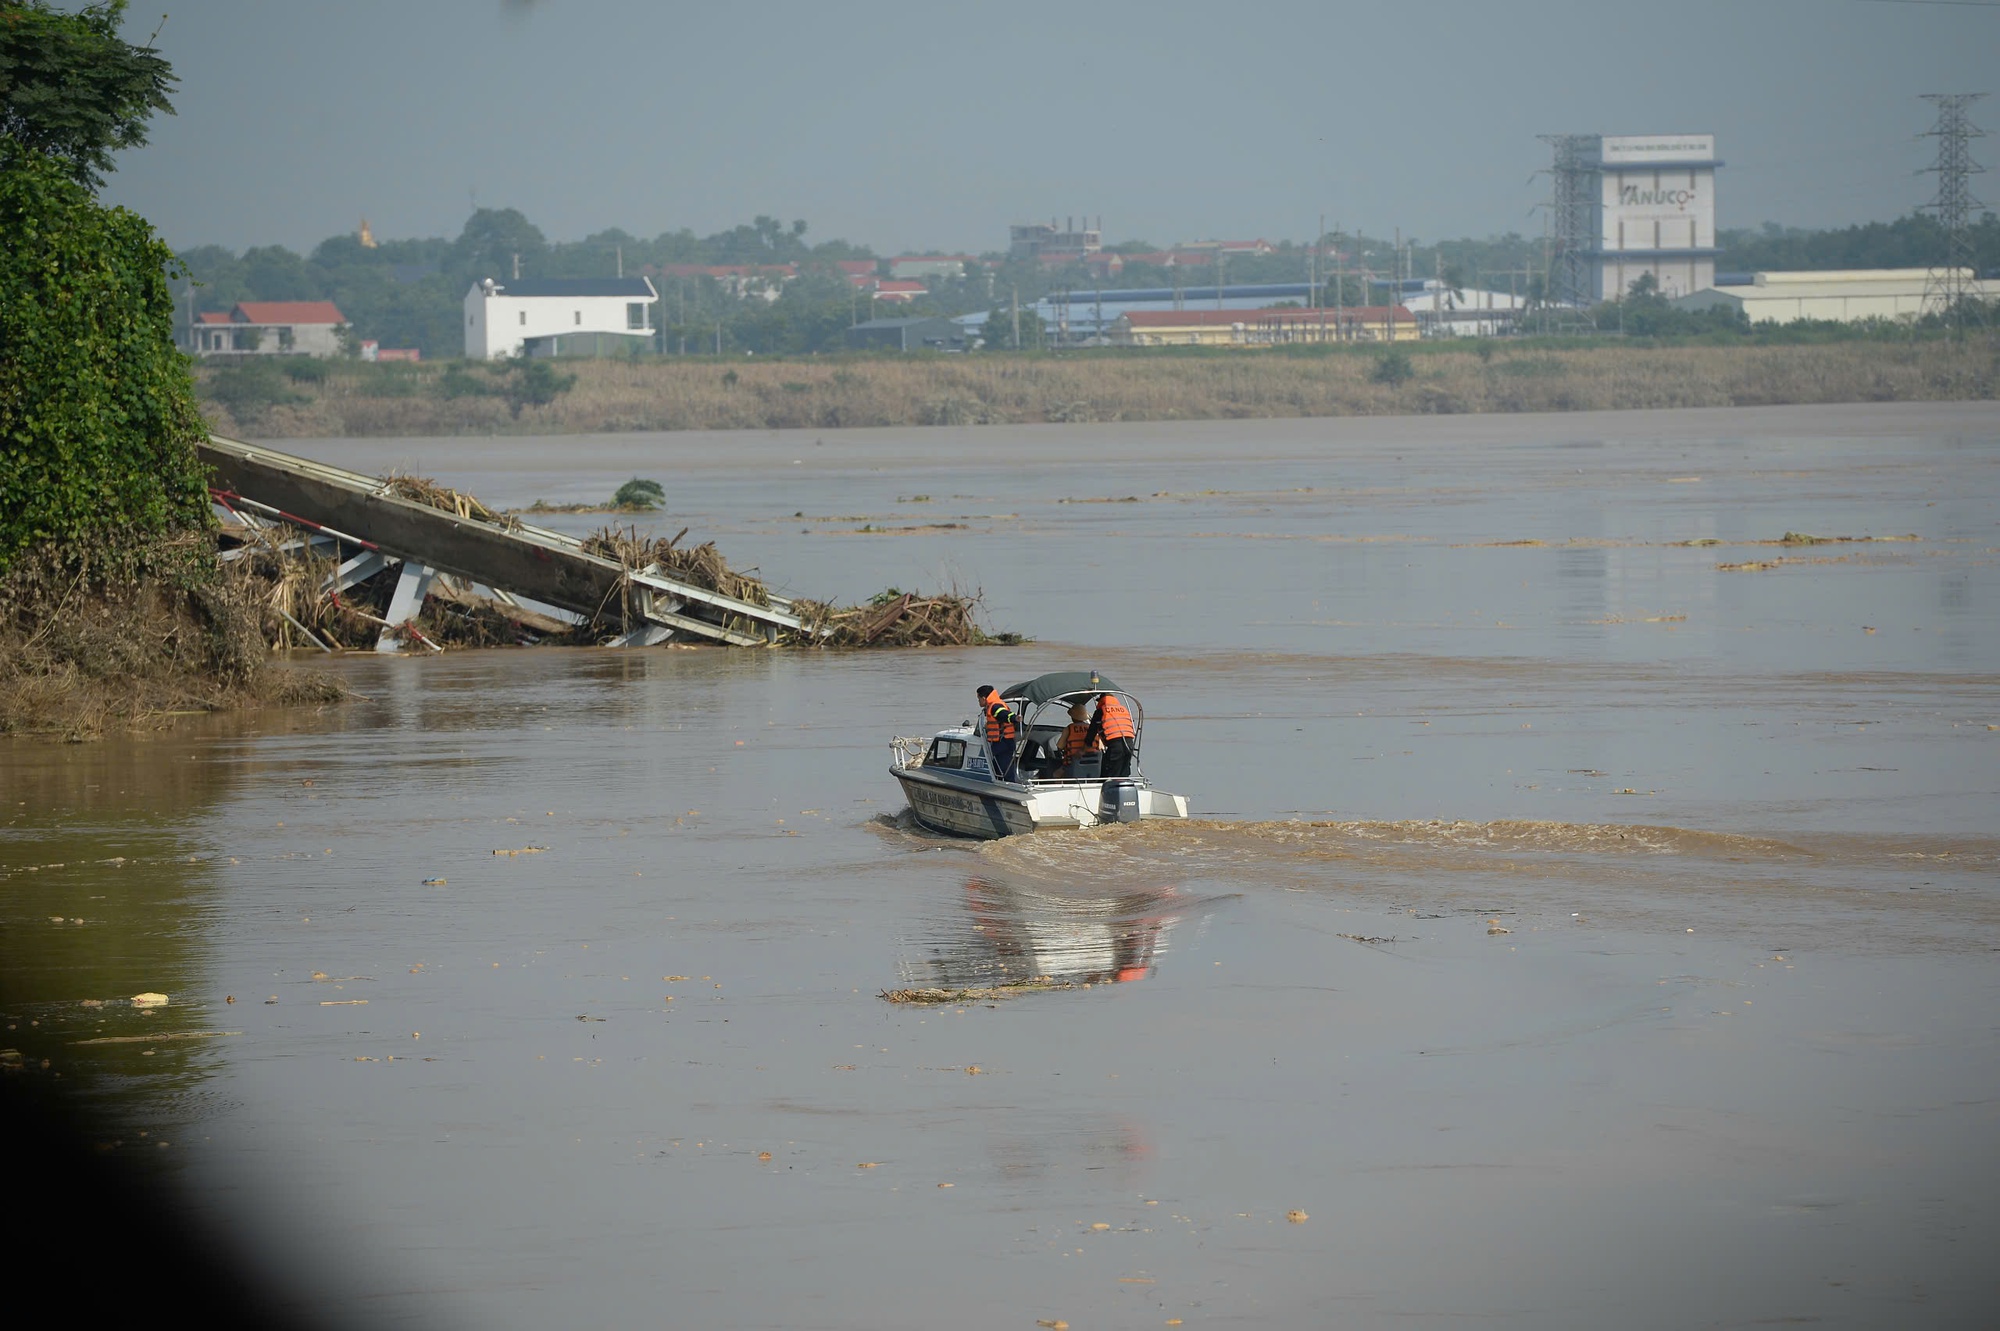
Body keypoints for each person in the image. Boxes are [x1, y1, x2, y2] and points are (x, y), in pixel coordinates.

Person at [1088, 692, 1136, 778]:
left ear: (1102, 700)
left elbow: (1092, 731)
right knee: (1124, 772)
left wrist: (1087, 744)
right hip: (1129, 745)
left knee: (1108, 773)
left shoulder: (1101, 711)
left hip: (1116, 745)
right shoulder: (1123, 709)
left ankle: (1106, 789)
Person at [976, 684, 1018, 782]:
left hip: (1002, 743)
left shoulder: (995, 706)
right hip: (1003, 742)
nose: (978, 702)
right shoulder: (992, 705)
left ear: (983, 698)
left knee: (1005, 768)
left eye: (979, 699)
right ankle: (1001, 782)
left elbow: (1003, 714)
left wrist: (1014, 718)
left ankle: (1010, 786)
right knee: (997, 767)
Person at [1055, 702, 1100, 777]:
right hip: (1093, 767)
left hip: (1073, 765)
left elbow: (1060, 746)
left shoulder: (1069, 729)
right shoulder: (1093, 729)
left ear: (1073, 717)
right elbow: (1100, 747)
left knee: (1056, 774)